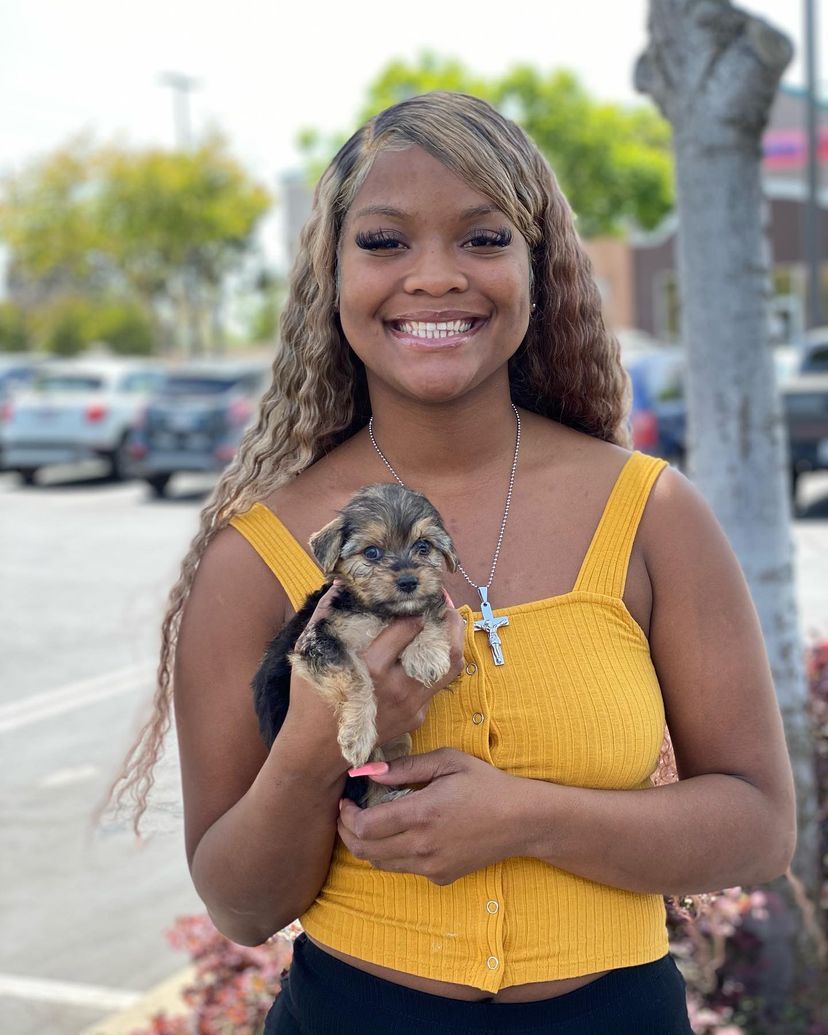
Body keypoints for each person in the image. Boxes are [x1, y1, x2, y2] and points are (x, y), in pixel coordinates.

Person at [110, 92, 795, 1034]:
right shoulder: (257, 555)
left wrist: (525, 816)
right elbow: (242, 905)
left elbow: (758, 826)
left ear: (536, 270)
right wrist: (318, 744)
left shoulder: (651, 513)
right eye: (385, 241)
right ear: (331, 276)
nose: (434, 277)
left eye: (483, 238)